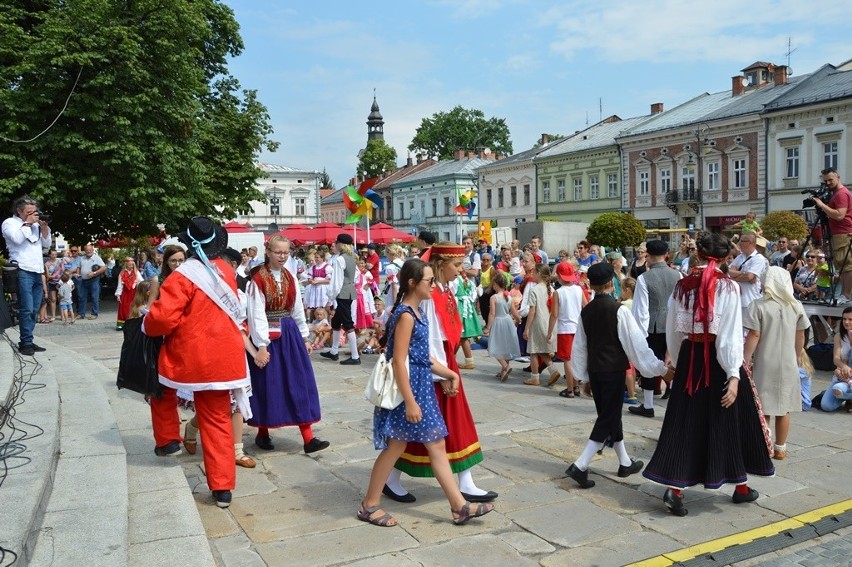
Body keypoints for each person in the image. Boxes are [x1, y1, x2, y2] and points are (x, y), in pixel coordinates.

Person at [642, 232, 775, 517]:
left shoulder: (682, 285)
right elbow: (728, 336)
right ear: (726, 258)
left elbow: (674, 331)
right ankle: (740, 487)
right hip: (717, 359)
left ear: (699, 254)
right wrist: (733, 374)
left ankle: (676, 488)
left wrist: (678, 364)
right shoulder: (727, 287)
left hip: (691, 356)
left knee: (685, 420)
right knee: (729, 418)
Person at [358, 259, 494, 527]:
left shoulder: (417, 311)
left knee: (436, 444)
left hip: (422, 390)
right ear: (412, 283)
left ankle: (459, 507)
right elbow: (398, 361)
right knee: (395, 446)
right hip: (409, 392)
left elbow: (423, 357)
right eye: (428, 281)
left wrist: (450, 373)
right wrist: (409, 401)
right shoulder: (406, 315)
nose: (433, 285)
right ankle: (369, 505)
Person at [142, 216, 252, 508]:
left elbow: (162, 319)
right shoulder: (226, 272)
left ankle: (168, 440)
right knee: (217, 420)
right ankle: (223, 487)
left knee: (159, 388)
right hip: (226, 357)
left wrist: (146, 325)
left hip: (191, 355)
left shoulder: (182, 276)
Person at [384, 243, 497, 504]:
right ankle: (460, 484)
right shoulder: (429, 298)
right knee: (441, 426)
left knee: (431, 428)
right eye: (456, 265)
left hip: (445, 362)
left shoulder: (444, 290)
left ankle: (396, 478)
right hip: (436, 366)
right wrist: (443, 374)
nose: (461, 270)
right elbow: (430, 340)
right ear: (440, 264)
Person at [566, 262, 673, 489]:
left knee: (610, 416)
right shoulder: (619, 310)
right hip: (613, 370)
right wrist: (661, 369)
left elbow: (580, 347)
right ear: (609, 284)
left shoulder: (586, 311)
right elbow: (637, 346)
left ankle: (625, 462)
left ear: (593, 285)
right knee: (607, 418)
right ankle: (580, 464)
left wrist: (583, 377)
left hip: (595, 370)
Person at [246, 236, 329, 455]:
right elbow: (256, 314)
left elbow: (297, 309)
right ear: (268, 252)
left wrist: (304, 338)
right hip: (269, 336)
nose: (282, 256)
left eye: (286, 253)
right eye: (278, 252)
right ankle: (262, 432)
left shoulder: (290, 276)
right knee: (268, 384)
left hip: (289, 333)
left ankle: (308, 437)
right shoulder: (258, 279)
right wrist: (261, 345)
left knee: (299, 381)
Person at [742, 266, 809, 461]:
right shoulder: (796, 306)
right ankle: (781, 447)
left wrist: (746, 358)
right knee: (784, 406)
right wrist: (796, 356)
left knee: (764, 406)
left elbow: (754, 334)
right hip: (787, 361)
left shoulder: (758, 305)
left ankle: (765, 445)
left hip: (765, 360)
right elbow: (801, 334)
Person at [630, 240, 682, 416]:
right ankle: (675, 405)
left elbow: (641, 309)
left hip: (652, 327)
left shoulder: (644, 278)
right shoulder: (678, 275)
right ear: (666, 254)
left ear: (648, 256)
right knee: (673, 361)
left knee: (649, 364)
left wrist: (639, 333)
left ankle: (648, 405)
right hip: (673, 325)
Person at [1, 195, 52, 355]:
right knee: (27, 308)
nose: (33, 215)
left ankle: (27, 339)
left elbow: (46, 245)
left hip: (37, 271)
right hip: (22, 270)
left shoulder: (36, 226)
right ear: (19, 210)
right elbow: (16, 239)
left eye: (35, 212)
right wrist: (28, 224)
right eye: (29, 212)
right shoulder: (10, 223)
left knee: (35, 308)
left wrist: (43, 227)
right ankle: (26, 343)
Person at [812, 168, 852, 302]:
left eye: (830, 180)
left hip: (843, 232)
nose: (828, 183)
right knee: (842, 265)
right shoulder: (836, 193)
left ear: (838, 178)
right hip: (839, 232)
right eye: (825, 181)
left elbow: (840, 215)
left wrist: (822, 205)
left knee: (846, 264)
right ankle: (845, 295)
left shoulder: (841, 194)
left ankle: (846, 295)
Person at [321, 233, 361, 365]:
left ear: (341, 244)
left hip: (342, 293)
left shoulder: (340, 259)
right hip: (349, 291)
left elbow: (337, 281)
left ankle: (355, 356)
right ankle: (333, 352)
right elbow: (355, 277)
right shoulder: (352, 258)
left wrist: (330, 297)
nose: (335, 244)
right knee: (337, 322)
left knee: (347, 323)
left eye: (336, 242)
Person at [553, 262, 587, 398]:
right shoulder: (579, 289)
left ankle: (569, 389)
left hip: (564, 329)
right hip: (578, 328)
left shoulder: (558, 292)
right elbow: (586, 306)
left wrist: (549, 331)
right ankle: (577, 386)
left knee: (567, 359)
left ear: (559, 276)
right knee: (575, 358)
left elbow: (554, 314)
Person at [523, 264, 558, 386]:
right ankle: (553, 370)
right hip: (549, 322)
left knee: (533, 350)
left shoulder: (535, 290)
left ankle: (535, 377)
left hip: (537, 322)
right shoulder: (552, 290)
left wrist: (526, 328)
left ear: (538, 273)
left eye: (534, 272)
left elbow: (532, 311)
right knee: (540, 349)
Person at [483, 271, 520, 381]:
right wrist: (518, 319)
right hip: (508, 321)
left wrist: (488, 328)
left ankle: (505, 366)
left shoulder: (494, 297)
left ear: (495, 284)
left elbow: (492, 314)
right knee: (506, 346)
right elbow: (513, 312)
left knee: (495, 346)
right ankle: (503, 372)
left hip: (498, 322)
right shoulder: (508, 297)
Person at [728, 232, 769, 322]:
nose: (739, 244)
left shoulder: (758, 258)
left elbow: (749, 277)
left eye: (742, 241)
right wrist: (744, 273)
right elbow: (728, 272)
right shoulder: (740, 257)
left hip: (751, 301)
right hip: (738, 301)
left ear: (750, 242)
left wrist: (737, 275)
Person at [821, 307, 852, 412]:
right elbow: (836, 359)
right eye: (844, 319)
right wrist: (843, 367)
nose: (847, 322)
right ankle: (843, 396)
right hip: (843, 377)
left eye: (850, 319)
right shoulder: (839, 336)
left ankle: (846, 397)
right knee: (826, 406)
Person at [454, 270, 482, 370]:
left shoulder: (455, 281)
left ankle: (452, 359)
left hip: (459, 309)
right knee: (462, 336)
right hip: (468, 309)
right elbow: (474, 295)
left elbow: (452, 294)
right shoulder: (469, 282)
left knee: (459, 336)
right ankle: (468, 359)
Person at [114, 257, 143, 330]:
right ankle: (121, 324)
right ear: (126, 265)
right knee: (123, 308)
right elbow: (119, 285)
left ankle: (133, 324)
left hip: (134, 292)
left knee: (133, 307)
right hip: (125, 293)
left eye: (132, 265)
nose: (131, 267)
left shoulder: (136, 273)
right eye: (129, 265)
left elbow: (141, 282)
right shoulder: (122, 273)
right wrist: (118, 294)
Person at [44, 249, 63, 323]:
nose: (54, 256)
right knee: (53, 299)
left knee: (61, 298)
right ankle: (53, 315)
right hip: (52, 282)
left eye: (55, 254)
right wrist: (54, 277)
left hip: (60, 282)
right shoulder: (47, 264)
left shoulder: (59, 261)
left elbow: (63, 271)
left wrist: (60, 276)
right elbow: (47, 275)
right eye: (53, 254)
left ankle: (63, 315)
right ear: (49, 255)